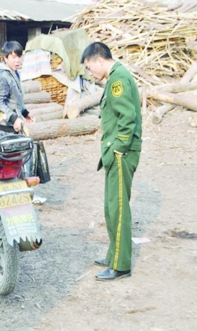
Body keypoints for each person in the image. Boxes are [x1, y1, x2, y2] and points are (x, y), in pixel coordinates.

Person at [81, 42, 142, 281]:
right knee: (111, 206)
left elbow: (128, 119)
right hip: (116, 152)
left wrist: (118, 150)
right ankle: (114, 254)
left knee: (118, 209)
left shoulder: (117, 80)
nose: (90, 73)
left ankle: (121, 265)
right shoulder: (116, 77)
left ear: (99, 60)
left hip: (121, 153)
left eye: (89, 67)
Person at [0, 41, 34, 133]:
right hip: (4, 127)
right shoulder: (3, 77)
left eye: (19, 57)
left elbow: (15, 98)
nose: (17, 60)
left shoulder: (14, 73)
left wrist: (25, 113)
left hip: (13, 125)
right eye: (13, 57)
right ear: (6, 58)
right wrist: (13, 119)